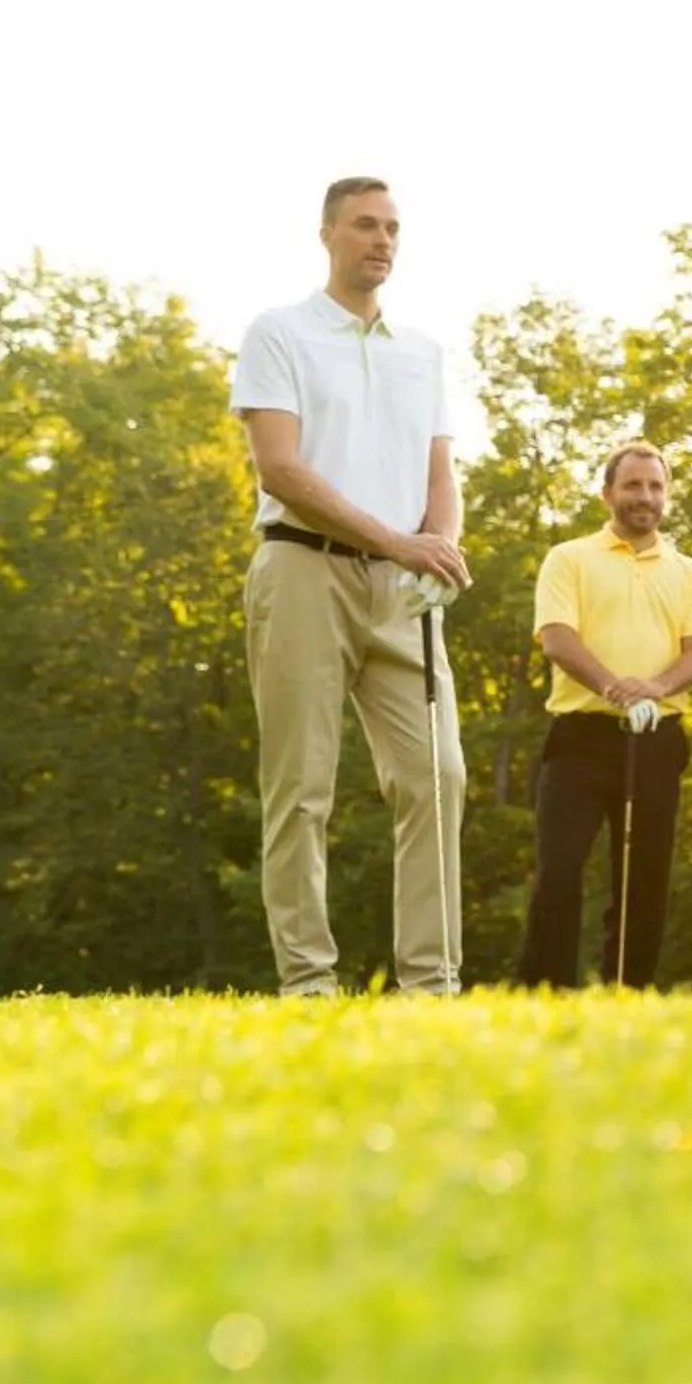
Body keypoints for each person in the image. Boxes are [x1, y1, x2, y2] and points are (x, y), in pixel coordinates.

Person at [229, 176, 474, 996]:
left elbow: (441, 469)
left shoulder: (422, 351)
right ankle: (309, 982)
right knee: (302, 788)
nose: (382, 241)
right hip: (302, 569)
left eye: (393, 228)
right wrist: (400, 540)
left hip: (402, 589)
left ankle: (431, 984)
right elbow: (282, 468)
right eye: (366, 226)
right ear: (328, 233)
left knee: (438, 777)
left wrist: (437, 542)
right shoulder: (281, 333)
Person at [516, 441, 692, 988]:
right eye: (632, 485)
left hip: (657, 740)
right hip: (579, 739)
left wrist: (652, 689)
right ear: (608, 493)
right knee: (558, 872)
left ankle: (627, 994)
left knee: (644, 880)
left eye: (655, 487)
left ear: (666, 496)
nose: (644, 497)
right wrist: (614, 687)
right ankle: (544, 993)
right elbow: (557, 639)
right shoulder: (569, 558)